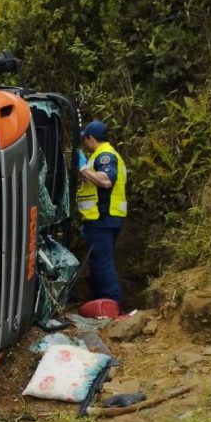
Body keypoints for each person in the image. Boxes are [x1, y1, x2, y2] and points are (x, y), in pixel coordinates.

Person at [76, 119, 127, 307]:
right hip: (101, 219)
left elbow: (106, 181)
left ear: (90, 138)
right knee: (98, 262)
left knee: (102, 264)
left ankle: (111, 305)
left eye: (85, 140)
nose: (84, 144)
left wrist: (82, 169)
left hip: (103, 217)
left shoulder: (105, 155)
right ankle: (99, 304)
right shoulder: (99, 155)